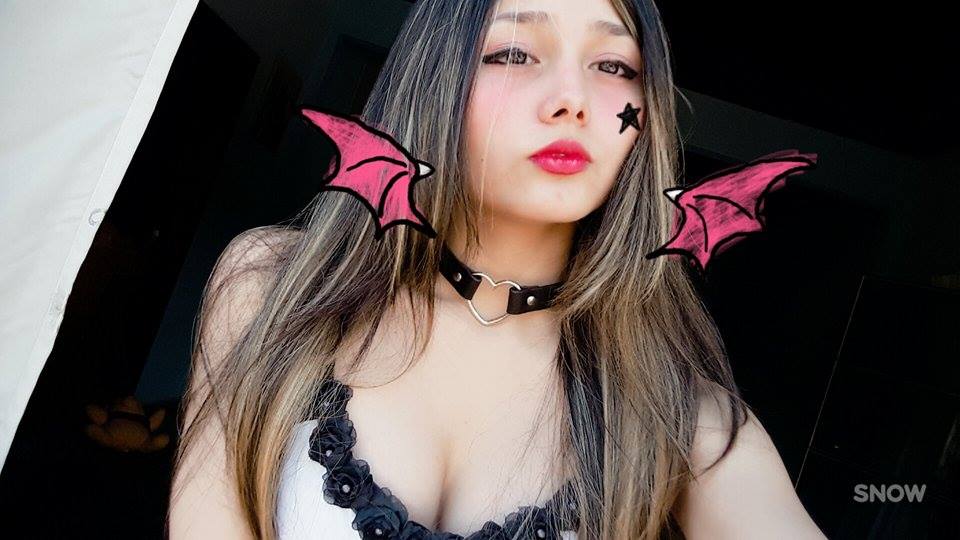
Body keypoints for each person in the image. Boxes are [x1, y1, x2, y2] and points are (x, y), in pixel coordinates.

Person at [168, 0, 827, 538]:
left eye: (613, 65)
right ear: (436, 80)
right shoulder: (271, 287)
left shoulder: (678, 415)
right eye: (514, 53)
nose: (572, 100)